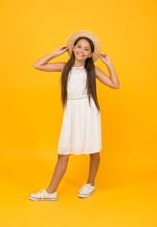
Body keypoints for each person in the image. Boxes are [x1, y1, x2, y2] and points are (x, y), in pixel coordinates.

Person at [29, 30, 120, 201]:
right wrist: (55, 53)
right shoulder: (64, 67)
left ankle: (90, 183)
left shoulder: (93, 69)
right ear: (73, 48)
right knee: (63, 152)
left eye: (86, 49)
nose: (81, 51)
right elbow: (37, 65)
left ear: (91, 54)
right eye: (79, 47)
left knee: (93, 149)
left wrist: (109, 64)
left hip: (89, 110)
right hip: (72, 112)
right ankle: (51, 192)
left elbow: (115, 85)